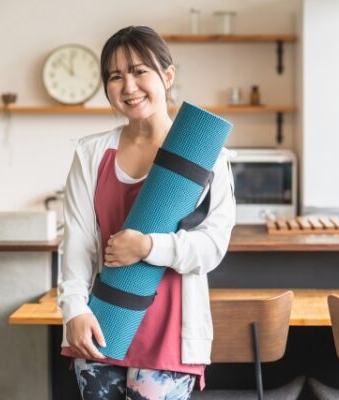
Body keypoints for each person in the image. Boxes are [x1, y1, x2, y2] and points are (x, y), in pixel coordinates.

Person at [58, 25, 236, 400]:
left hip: (170, 336)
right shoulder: (91, 155)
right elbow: (77, 245)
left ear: (167, 76)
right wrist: (74, 311)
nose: (128, 86)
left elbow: (212, 248)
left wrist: (147, 247)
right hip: (101, 326)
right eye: (115, 76)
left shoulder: (207, 157)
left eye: (140, 71)